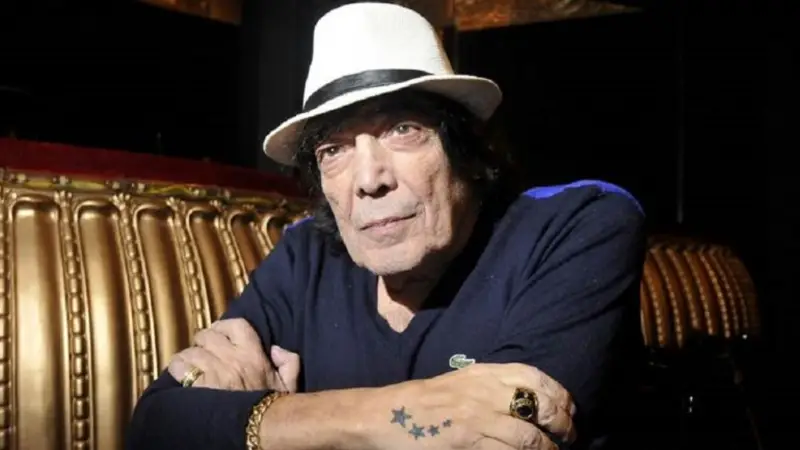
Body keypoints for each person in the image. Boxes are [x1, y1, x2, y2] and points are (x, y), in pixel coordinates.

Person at [125, 3, 646, 450]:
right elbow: (157, 424)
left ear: (465, 149)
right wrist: (408, 412)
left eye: (403, 129)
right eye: (334, 150)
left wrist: (271, 424)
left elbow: (510, 436)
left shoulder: (578, 224)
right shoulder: (308, 253)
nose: (369, 179)